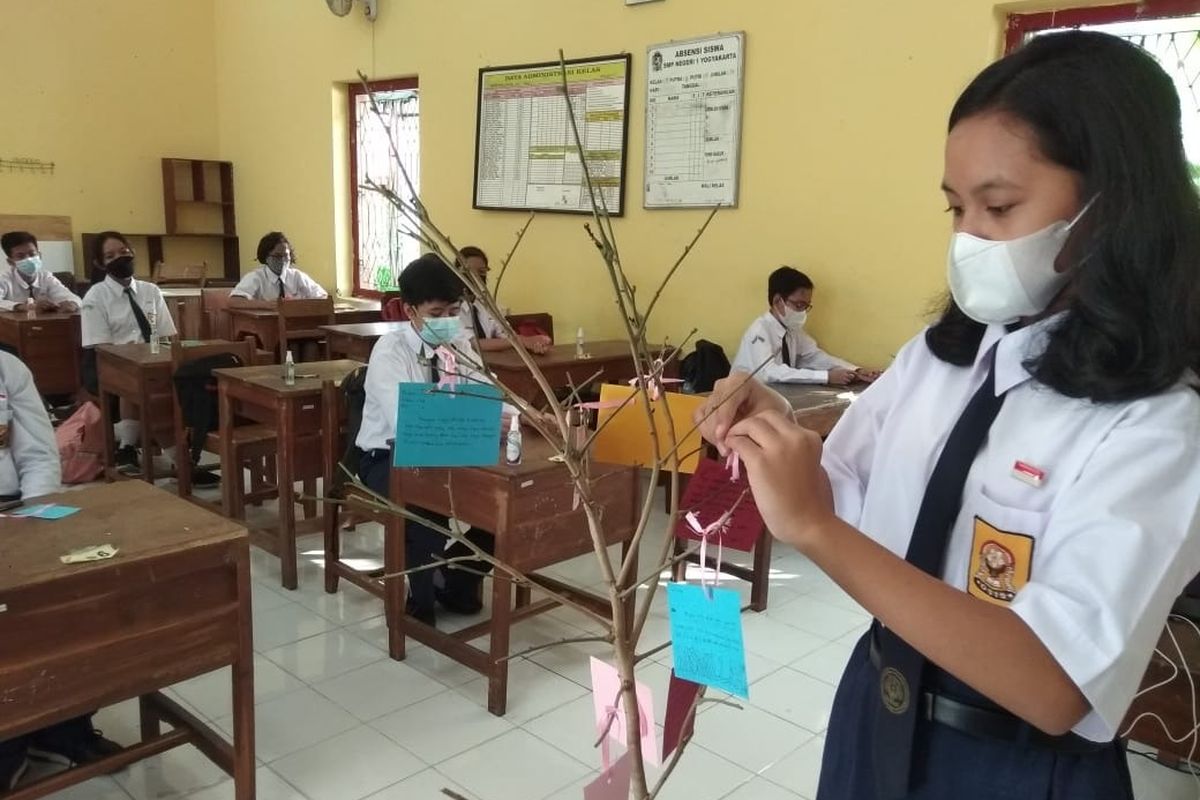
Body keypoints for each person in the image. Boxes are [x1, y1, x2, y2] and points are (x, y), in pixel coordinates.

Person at [698, 32, 1200, 800]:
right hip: (876, 707)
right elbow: (836, 489)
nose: (968, 237)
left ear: (1114, 204)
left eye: (998, 207)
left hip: (1016, 766)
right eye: (955, 207)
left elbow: (1053, 684)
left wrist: (817, 532)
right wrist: (779, 435)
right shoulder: (943, 357)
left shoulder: (1157, 422)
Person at [355, 253, 505, 625]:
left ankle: (455, 576)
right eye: (436, 314)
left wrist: (521, 417)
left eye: (454, 311)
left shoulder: (459, 346)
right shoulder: (390, 352)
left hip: (449, 452)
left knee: (505, 504)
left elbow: (487, 394)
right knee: (427, 502)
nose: (447, 322)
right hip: (386, 457)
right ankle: (420, 599)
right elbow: (407, 421)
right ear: (410, 311)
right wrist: (477, 417)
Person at [0, 352, 121, 789]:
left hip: (16, 508)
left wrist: (32, 524)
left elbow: (36, 454)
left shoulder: (7, 369)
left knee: (63, 611)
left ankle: (66, 727)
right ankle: (9, 744)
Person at [80, 231, 177, 471]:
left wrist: (160, 357)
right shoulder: (96, 296)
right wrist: (134, 358)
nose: (120, 258)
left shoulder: (150, 291)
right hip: (108, 363)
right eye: (110, 256)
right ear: (100, 264)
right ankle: (180, 460)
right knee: (135, 378)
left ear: (132, 253)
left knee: (169, 377)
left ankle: (126, 446)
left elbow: (166, 335)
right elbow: (102, 347)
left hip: (152, 359)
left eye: (124, 252)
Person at [731, 266, 879, 386]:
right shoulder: (759, 331)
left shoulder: (792, 330)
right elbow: (770, 372)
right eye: (799, 305)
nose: (802, 312)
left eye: (806, 306)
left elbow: (815, 356)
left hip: (776, 398)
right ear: (777, 301)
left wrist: (854, 370)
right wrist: (826, 377)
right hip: (745, 402)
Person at [457, 245, 551, 354]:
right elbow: (472, 344)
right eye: (469, 272)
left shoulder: (487, 305)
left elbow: (507, 335)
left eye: (482, 272)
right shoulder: (450, 308)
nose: (476, 277)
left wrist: (535, 343)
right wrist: (521, 340)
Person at [229, 232, 327, 309]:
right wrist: (267, 305)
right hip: (268, 326)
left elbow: (323, 296)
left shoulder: (297, 276)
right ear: (266, 257)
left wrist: (299, 304)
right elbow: (234, 301)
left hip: (296, 324)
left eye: (286, 255)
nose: (283, 260)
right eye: (277, 256)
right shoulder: (255, 277)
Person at [0, 231, 80, 314]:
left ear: (40, 255)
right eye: (21, 256)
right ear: (10, 262)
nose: (29, 259)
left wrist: (72, 304)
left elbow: (72, 297)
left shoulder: (46, 277)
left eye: (32, 254)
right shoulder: (3, 278)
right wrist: (22, 306)